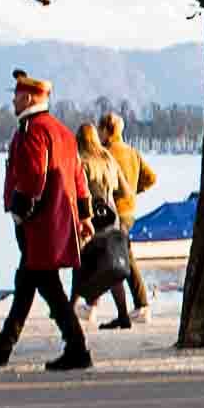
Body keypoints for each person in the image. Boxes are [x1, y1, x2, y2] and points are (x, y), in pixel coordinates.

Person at [0, 69, 94, 371]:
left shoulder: (32, 130)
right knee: (27, 282)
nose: (13, 100)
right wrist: (85, 215)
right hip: (60, 220)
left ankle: (77, 348)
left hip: (38, 224)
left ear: (28, 97)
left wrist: (20, 212)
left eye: (16, 95)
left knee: (47, 285)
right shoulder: (63, 131)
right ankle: (5, 343)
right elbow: (79, 178)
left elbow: (33, 177)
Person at [73, 121, 133, 330]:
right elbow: (125, 191)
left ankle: (71, 309)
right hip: (112, 218)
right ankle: (123, 315)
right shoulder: (109, 158)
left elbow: (77, 192)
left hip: (91, 222)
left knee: (81, 263)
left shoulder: (82, 161)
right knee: (113, 268)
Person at [99, 113, 157, 317]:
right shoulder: (133, 153)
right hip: (130, 212)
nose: (99, 134)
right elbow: (151, 178)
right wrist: (135, 190)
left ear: (107, 130)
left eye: (101, 129)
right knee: (117, 256)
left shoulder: (105, 154)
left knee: (115, 257)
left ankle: (141, 305)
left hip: (112, 212)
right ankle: (138, 305)